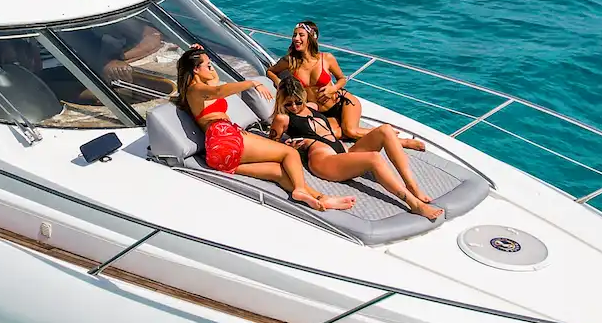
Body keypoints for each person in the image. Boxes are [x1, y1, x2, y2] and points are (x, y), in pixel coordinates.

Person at [177, 46, 353, 213]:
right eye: (208, 65)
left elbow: (213, 82)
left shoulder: (200, 89)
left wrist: (198, 53)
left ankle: (321, 198)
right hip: (223, 137)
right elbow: (218, 91)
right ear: (195, 70)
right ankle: (299, 189)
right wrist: (251, 83)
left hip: (219, 153)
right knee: (288, 153)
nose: (212, 67)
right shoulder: (196, 89)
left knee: (278, 171)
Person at [271, 75, 442, 220]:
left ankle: (411, 185)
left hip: (343, 153)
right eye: (288, 104)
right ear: (282, 102)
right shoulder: (282, 119)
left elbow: (336, 99)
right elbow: (273, 146)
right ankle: (414, 204)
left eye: (297, 102)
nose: (293, 107)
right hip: (324, 161)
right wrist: (292, 146)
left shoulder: (312, 107)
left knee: (385, 130)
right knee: (374, 158)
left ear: (303, 96)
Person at [268, 19, 424, 150]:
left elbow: (342, 78)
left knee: (350, 131)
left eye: (301, 35)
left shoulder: (326, 58)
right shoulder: (290, 61)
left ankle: (401, 141)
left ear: (311, 38)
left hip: (342, 103)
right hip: (321, 113)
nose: (296, 38)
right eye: (295, 35)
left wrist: (333, 88)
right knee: (333, 134)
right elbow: (271, 71)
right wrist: (280, 82)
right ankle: (381, 132)